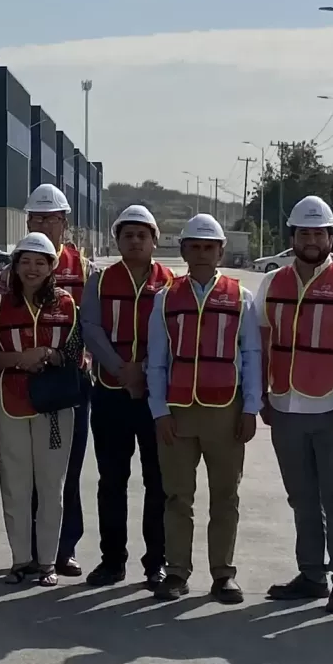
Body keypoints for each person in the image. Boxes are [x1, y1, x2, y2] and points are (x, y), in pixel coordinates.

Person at [259, 196, 333, 615]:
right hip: (285, 408)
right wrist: (262, 397)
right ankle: (311, 575)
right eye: (304, 233)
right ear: (291, 237)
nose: (311, 240)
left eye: (319, 233)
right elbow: (260, 341)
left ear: (331, 237)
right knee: (302, 498)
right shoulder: (271, 283)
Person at [145, 213, 261, 602]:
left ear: (221, 251)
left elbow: (251, 355)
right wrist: (159, 412)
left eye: (208, 247)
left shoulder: (241, 297)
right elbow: (157, 361)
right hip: (178, 412)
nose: (201, 254)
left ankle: (222, 573)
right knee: (178, 496)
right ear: (182, 251)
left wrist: (250, 408)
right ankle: (177, 572)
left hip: (226, 411)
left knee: (225, 496)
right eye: (193, 247)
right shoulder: (165, 299)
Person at [77, 203, 172, 587]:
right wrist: (121, 369)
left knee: (159, 481)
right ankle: (112, 560)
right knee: (111, 480)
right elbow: (90, 327)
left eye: (142, 235)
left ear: (154, 241)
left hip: (156, 399)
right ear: (117, 240)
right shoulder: (99, 281)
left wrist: (144, 369)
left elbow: (173, 333)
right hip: (110, 394)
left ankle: (157, 563)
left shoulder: (169, 283)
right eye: (127, 235)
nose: (135, 241)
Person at [0, 232, 83, 586]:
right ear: (15, 266)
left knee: (51, 486)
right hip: (10, 400)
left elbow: (75, 354)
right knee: (15, 484)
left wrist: (46, 355)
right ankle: (20, 560)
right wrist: (19, 359)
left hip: (54, 404)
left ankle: (47, 561)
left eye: (40, 262)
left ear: (51, 267)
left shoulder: (66, 304)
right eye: (25, 261)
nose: (32, 268)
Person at [18, 183, 92, 576]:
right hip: (25, 379)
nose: (44, 224)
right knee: (29, 469)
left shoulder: (83, 268)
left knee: (68, 468)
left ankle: (65, 546)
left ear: (64, 222)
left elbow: (90, 324)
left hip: (69, 380)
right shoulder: (14, 267)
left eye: (51, 218)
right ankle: (33, 546)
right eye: (37, 217)